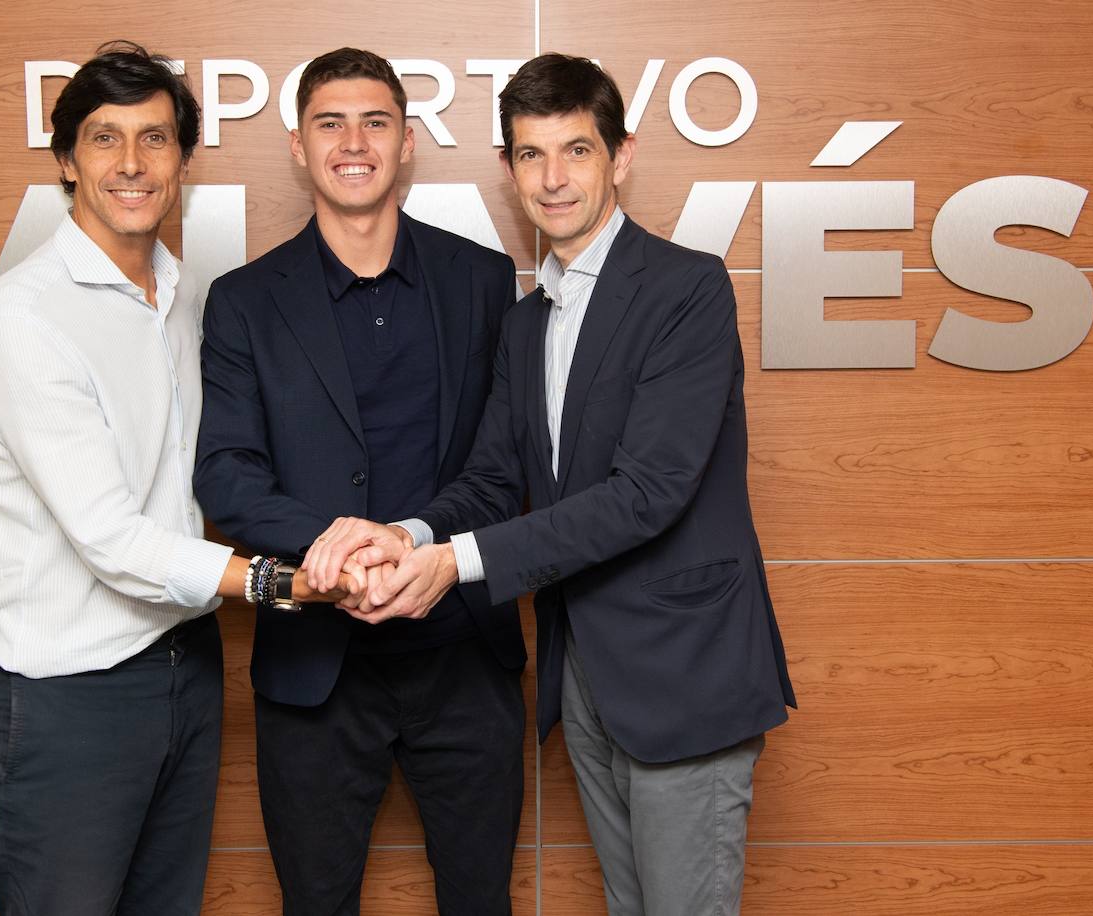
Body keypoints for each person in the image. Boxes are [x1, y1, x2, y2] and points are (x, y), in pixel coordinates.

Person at [306, 53, 796, 916]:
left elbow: (647, 492)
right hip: (590, 680)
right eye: (531, 155)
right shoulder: (529, 321)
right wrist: (409, 538)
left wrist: (455, 566)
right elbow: (495, 476)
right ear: (507, 170)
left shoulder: (686, 289)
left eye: (576, 150)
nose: (554, 178)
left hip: (684, 674)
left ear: (622, 154)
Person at [0, 42, 349, 916]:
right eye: (104, 140)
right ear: (66, 160)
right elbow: (108, 536)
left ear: (181, 160)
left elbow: (209, 477)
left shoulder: (178, 296)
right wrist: (283, 581)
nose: (131, 165)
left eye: (155, 139)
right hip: (69, 700)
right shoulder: (27, 318)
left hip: (184, 672)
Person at [192, 47, 526, 916]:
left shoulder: (483, 282)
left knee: (480, 901)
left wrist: (412, 543)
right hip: (314, 668)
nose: (353, 142)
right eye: (329, 123)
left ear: (407, 142)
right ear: (299, 148)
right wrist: (334, 551)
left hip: (464, 658)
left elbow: (506, 468)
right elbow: (225, 477)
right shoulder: (242, 300)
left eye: (374, 121)